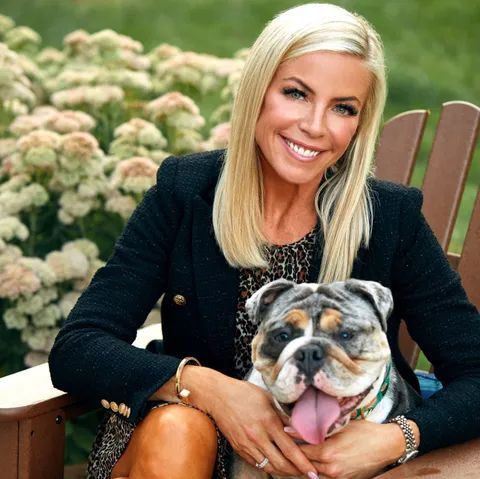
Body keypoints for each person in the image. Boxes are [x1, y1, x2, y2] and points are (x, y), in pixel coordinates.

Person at [48, 3, 480, 479]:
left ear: (360, 124)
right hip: (186, 448)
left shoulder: (387, 218)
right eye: (296, 93)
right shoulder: (187, 193)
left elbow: (476, 373)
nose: (315, 126)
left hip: (326, 459)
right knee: (181, 428)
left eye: (342, 108)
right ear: (258, 93)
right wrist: (209, 389)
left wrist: (395, 437)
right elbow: (79, 346)